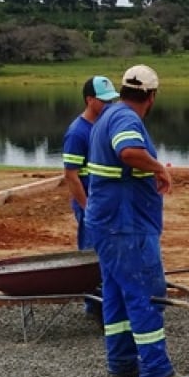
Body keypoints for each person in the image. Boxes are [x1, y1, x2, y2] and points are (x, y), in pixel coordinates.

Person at [84, 64, 189, 377]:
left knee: (117, 293)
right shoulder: (126, 119)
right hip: (126, 224)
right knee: (145, 292)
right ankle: (156, 370)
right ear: (151, 96)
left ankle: (121, 364)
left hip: (109, 222)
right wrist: (160, 168)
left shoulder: (107, 115)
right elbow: (129, 151)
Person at [62, 76, 119, 318]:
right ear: (89, 100)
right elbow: (71, 176)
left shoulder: (104, 126)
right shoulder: (77, 133)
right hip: (89, 205)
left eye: (112, 100)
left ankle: (108, 301)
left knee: (107, 251)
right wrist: (87, 208)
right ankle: (94, 307)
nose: (108, 105)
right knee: (90, 252)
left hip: (104, 203)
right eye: (103, 101)